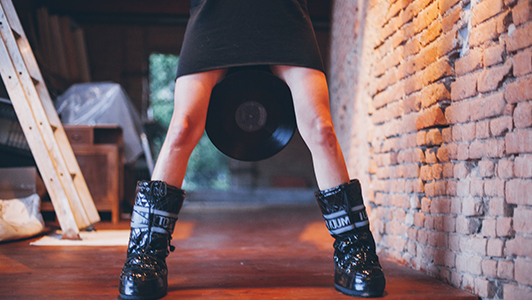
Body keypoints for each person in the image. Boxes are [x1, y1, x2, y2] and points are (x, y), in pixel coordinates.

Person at [118, 1, 385, 299]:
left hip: (283, 12)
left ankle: (355, 252)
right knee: (181, 128)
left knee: (321, 129)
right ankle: (145, 255)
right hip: (216, 12)